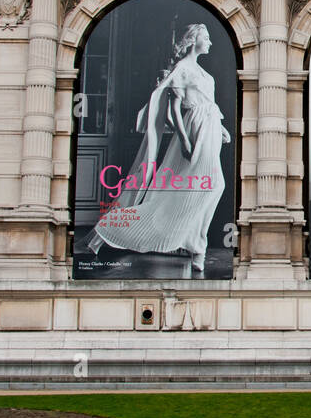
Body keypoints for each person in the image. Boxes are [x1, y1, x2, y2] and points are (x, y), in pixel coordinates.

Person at [86, 23, 230, 277]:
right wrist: (184, 140)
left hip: (210, 130)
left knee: (209, 187)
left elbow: (210, 104)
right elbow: (174, 109)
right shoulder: (183, 69)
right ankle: (109, 230)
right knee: (196, 190)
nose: (209, 42)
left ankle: (195, 244)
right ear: (193, 40)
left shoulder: (202, 72)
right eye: (205, 37)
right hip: (195, 131)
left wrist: (221, 128)